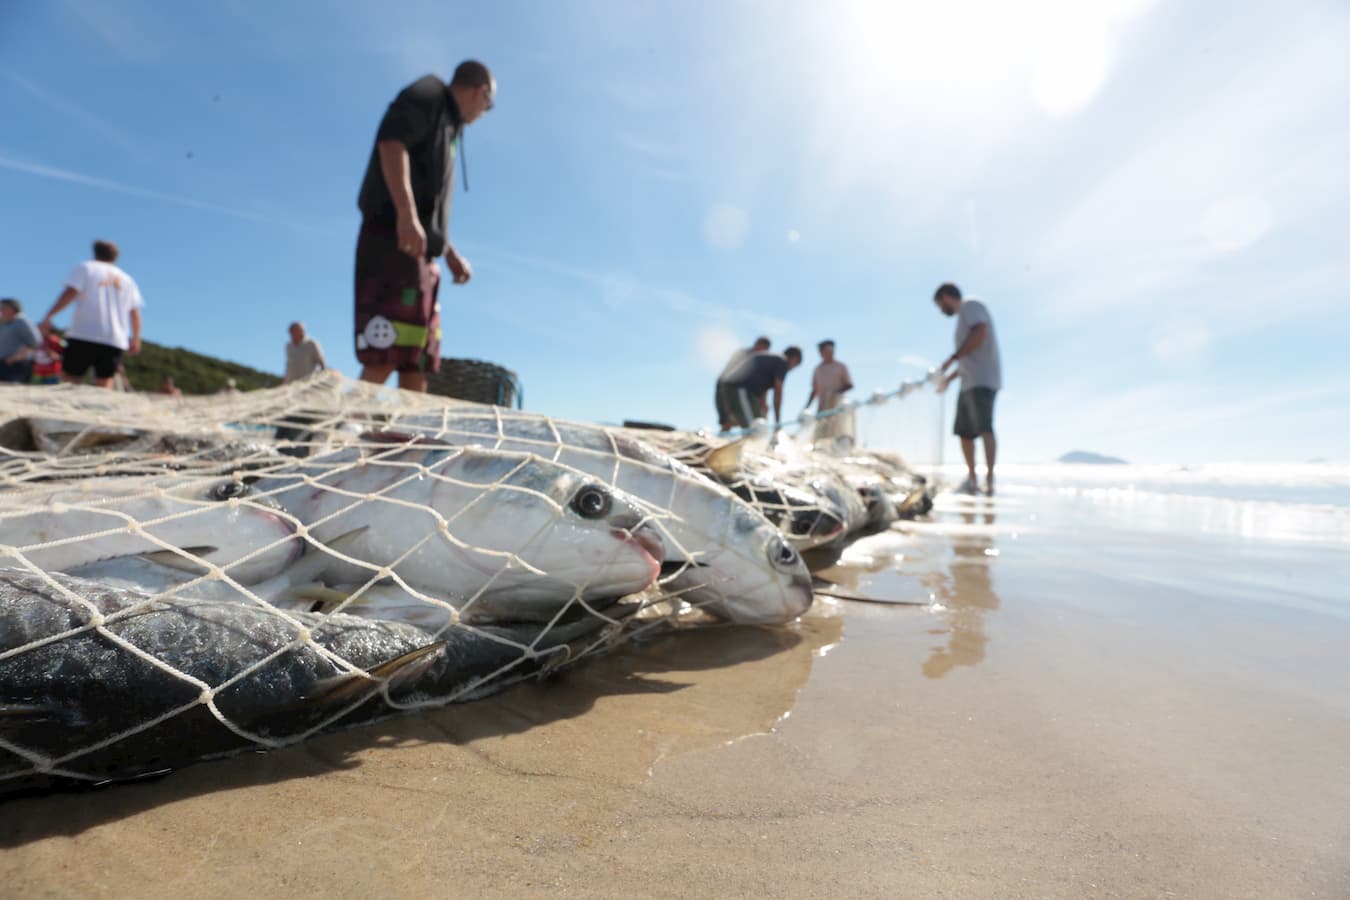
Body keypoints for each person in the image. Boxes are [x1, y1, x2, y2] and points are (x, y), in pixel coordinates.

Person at [355, 60, 496, 392]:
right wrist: (405, 215)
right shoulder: (430, 94)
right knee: (387, 348)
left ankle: (407, 442)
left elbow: (428, 205)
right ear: (481, 92)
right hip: (393, 243)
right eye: (487, 105)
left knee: (417, 358)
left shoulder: (450, 127)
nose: (483, 112)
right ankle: (337, 434)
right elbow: (392, 142)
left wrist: (447, 251)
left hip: (422, 256)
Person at [38, 239, 143, 388]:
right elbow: (134, 312)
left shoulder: (86, 268)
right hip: (115, 338)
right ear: (115, 257)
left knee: (70, 378)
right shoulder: (128, 280)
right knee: (105, 381)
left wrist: (49, 315)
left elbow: (70, 293)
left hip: (84, 332)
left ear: (95, 253)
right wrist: (136, 338)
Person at [934, 282, 1001, 496]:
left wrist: (952, 358)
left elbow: (980, 332)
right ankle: (972, 479)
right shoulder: (963, 317)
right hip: (967, 382)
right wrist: (950, 379)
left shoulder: (970, 305)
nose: (941, 310)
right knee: (964, 433)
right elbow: (967, 360)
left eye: (940, 305)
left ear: (945, 297)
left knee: (984, 428)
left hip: (982, 380)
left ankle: (989, 479)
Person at [719, 346, 803, 430]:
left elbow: (763, 385)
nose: (792, 369)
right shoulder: (783, 361)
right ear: (794, 358)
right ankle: (732, 420)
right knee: (754, 428)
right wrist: (778, 422)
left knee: (759, 419)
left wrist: (763, 404)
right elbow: (778, 392)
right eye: (795, 364)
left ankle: (733, 419)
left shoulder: (774, 360)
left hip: (747, 391)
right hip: (739, 387)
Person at [803, 339, 855, 449]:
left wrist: (836, 392)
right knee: (821, 436)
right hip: (822, 408)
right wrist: (806, 408)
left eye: (831, 350)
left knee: (840, 432)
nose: (828, 352)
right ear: (821, 352)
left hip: (839, 407)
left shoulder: (841, 366)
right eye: (824, 350)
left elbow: (849, 384)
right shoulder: (818, 369)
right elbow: (814, 390)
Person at [715, 335, 770, 430]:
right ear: (758, 345)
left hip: (741, 390)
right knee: (727, 417)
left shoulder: (759, 360)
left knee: (747, 416)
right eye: (763, 349)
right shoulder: (743, 354)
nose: (763, 352)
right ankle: (723, 436)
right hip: (725, 385)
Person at [0, 298, 42, 384]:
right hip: (4, 364)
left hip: (16, 366)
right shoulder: (7, 324)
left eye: (2, 308)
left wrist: (15, 358)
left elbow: (35, 341)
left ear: (11, 309)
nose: (1, 311)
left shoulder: (21, 321)